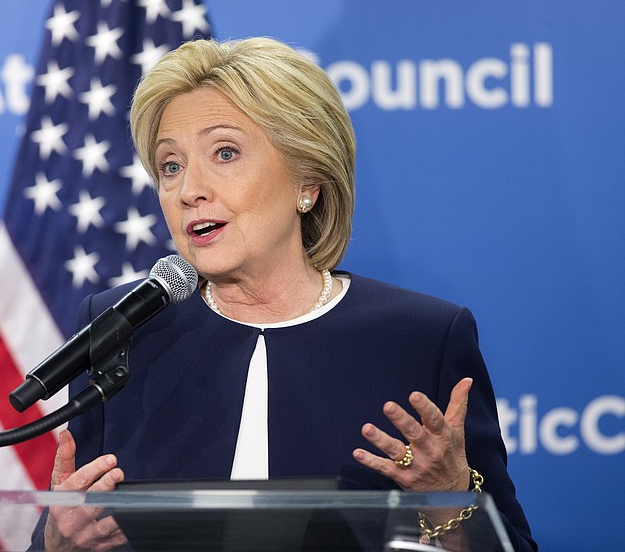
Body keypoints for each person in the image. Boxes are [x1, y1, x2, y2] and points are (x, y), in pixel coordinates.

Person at [32, 37, 536, 551]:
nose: (188, 190)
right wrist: (56, 543)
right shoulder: (124, 326)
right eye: (170, 165)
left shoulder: (420, 338)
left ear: (308, 182)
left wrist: (449, 497)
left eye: (224, 153)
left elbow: (511, 545)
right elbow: (73, 522)